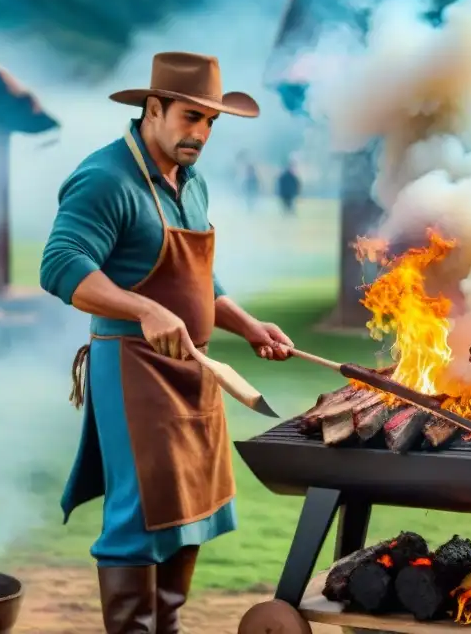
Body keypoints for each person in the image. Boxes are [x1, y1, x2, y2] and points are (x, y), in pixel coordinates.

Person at [39, 51, 294, 634]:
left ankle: (167, 627)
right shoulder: (105, 178)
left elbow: (199, 281)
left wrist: (247, 324)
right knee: (140, 518)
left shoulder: (192, 181)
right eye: (189, 117)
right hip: (134, 372)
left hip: (195, 371)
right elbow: (61, 265)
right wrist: (143, 308)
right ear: (152, 108)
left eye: (210, 122)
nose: (201, 134)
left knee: (191, 513)